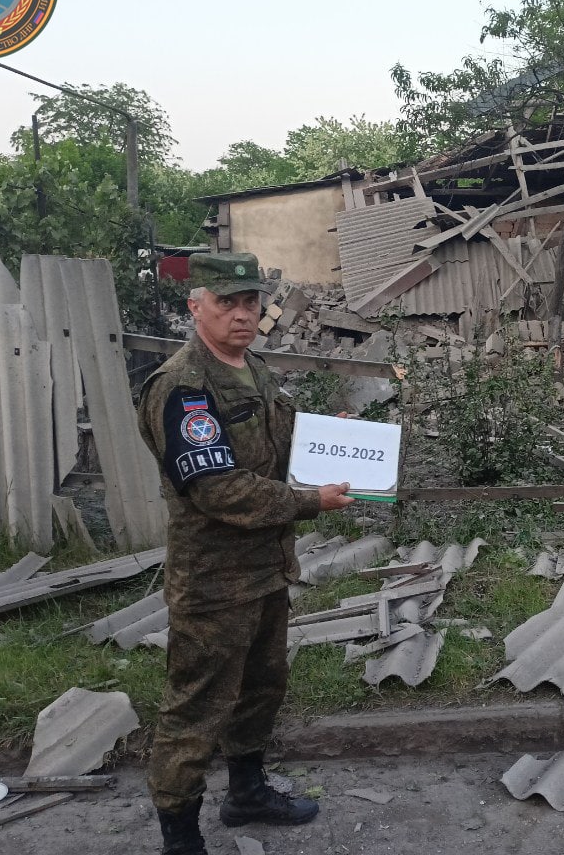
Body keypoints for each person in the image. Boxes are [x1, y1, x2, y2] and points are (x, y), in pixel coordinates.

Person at [137, 252, 353, 855]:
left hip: (265, 569)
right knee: (195, 709)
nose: (241, 314)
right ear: (196, 306)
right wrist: (309, 500)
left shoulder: (252, 368)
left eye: (250, 302)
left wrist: (332, 440)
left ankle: (247, 793)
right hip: (213, 581)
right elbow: (216, 488)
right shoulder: (183, 386)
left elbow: (277, 444)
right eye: (225, 302)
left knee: (262, 687)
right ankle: (181, 838)